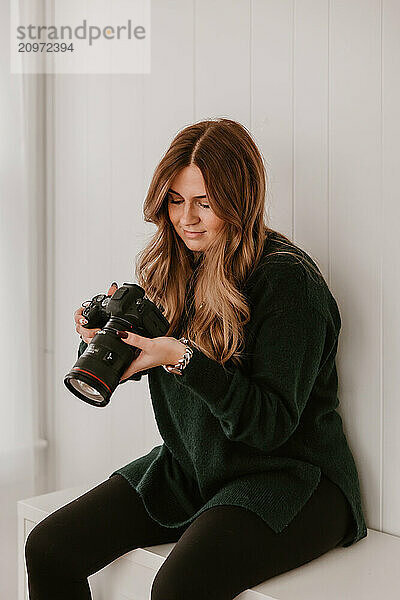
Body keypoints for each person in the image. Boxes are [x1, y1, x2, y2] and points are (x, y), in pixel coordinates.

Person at [25, 118, 367, 600]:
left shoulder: (289, 284)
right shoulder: (172, 266)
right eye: (177, 200)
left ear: (239, 201)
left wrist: (186, 360)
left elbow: (271, 425)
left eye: (205, 204)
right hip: (195, 464)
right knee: (49, 547)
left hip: (292, 476)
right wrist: (99, 342)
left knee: (179, 589)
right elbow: (135, 360)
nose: (188, 219)